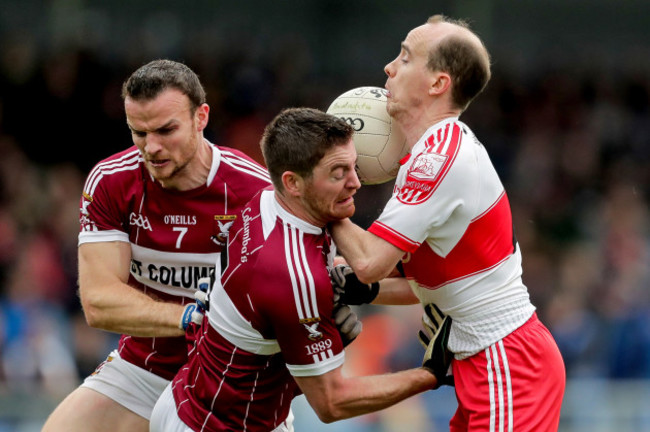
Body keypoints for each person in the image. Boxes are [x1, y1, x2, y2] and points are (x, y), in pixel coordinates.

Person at [149, 107, 453, 432]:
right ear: (293, 182)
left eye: (354, 167)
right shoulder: (293, 275)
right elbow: (332, 403)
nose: (355, 183)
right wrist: (430, 374)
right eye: (338, 173)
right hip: (219, 424)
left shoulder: (268, 199)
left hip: (197, 398)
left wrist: (357, 285)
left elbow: (371, 266)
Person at [329, 15, 566, 431]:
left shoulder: (439, 156)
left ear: (438, 83)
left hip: (508, 363)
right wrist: (356, 289)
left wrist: (320, 202)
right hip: (486, 361)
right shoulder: (429, 152)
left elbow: (370, 263)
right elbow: (422, 286)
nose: (389, 67)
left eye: (404, 57)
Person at [42, 59, 272, 432]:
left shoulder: (256, 191)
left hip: (233, 382)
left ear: (202, 117)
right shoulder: (110, 182)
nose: (151, 148)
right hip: (142, 371)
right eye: (138, 132)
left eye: (166, 130)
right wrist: (189, 317)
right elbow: (99, 303)